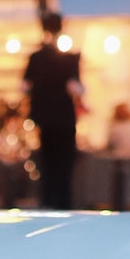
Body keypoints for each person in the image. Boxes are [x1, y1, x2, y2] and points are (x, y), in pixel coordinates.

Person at [20, 11, 85, 210]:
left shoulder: (36, 57)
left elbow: (24, 86)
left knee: (47, 164)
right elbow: (76, 88)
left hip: (44, 119)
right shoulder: (69, 59)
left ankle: (47, 202)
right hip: (64, 119)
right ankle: (63, 203)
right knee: (64, 166)